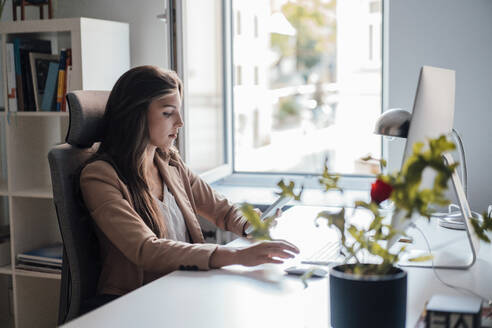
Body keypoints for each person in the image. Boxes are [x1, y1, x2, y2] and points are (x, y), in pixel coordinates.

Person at [79, 65, 299, 297]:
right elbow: (145, 249)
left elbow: (221, 210)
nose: (180, 122)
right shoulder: (99, 177)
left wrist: (249, 225)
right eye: (168, 113)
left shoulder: (170, 163)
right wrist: (237, 257)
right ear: (137, 115)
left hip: (184, 285)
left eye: (179, 111)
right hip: (138, 298)